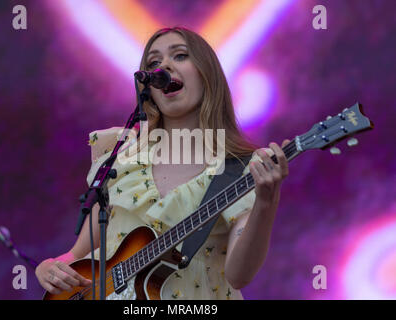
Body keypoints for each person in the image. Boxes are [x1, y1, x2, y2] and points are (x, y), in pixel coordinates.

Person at [35, 27, 290, 300]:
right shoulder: (123, 159)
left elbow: (239, 275)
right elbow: (78, 254)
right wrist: (48, 267)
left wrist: (266, 202)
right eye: (154, 63)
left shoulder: (239, 168)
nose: (164, 65)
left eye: (180, 56)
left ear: (207, 74)